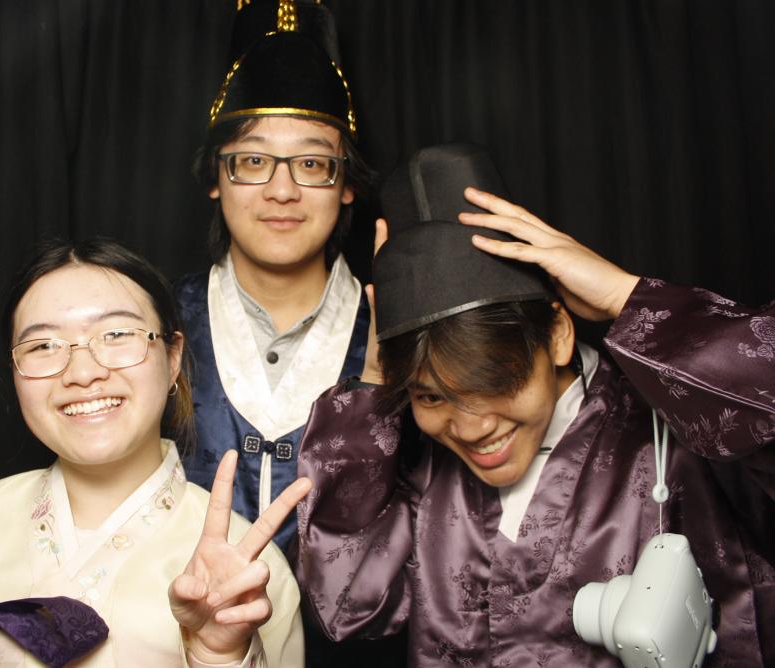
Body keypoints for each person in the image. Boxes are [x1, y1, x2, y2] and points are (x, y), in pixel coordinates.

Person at [295, 144, 775, 666]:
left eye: (495, 381)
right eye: (430, 395)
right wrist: (374, 379)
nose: (471, 428)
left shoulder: (677, 432)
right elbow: (343, 608)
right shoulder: (424, 470)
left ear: (558, 334)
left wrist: (626, 297)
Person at [0, 239, 308, 667]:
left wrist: (218, 657)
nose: (82, 373)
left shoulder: (247, 571)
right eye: (44, 345)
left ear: (172, 358)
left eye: (117, 335)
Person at [176, 0, 375, 552]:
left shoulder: (397, 331)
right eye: (253, 161)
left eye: (311, 164)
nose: (282, 191)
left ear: (347, 183)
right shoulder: (158, 322)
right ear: (216, 176)